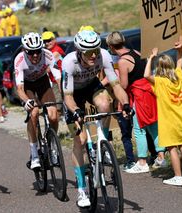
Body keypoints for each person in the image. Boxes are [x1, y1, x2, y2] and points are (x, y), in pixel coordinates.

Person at [62, 30, 131, 207]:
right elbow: (68, 97)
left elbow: (116, 85)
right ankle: (82, 190)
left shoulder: (104, 55)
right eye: (88, 52)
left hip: (91, 86)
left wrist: (126, 103)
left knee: (105, 104)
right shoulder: (69, 62)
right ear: (79, 51)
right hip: (72, 95)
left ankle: (103, 142)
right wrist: (77, 111)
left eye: (96, 50)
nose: (93, 55)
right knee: (81, 140)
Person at [106, 31, 166, 173]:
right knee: (153, 126)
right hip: (149, 91)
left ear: (111, 46)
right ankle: (161, 157)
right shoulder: (136, 52)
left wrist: (113, 81)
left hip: (139, 95)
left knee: (139, 130)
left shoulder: (122, 61)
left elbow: (124, 85)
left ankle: (142, 162)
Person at [144, 46, 182, 186]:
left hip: (169, 121)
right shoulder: (179, 75)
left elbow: (146, 75)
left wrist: (150, 58)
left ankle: (178, 177)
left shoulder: (160, 81)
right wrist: (180, 50)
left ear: (159, 68)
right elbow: (180, 63)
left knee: (172, 148)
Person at [14, 32, 61, 169]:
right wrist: (27, 101)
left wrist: (66, 96)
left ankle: (52, 144)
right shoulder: (20, 59)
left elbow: (58, 79)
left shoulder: (48, 55)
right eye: (31, 52)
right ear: (25, 50)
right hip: (26, 85)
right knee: (34, 113)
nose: (35, 55)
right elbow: (20, 89)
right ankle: (34, 154)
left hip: (42, 83)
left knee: (53, 115)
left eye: (37, 51)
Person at [42, 31, 65, 116]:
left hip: (60, 80)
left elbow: (47, 69)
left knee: (57, 105)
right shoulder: (48, 52)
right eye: (45, 41)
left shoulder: (56, 51)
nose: (47, 43)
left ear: (54, 40)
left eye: (49, 40)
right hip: (54, 80)